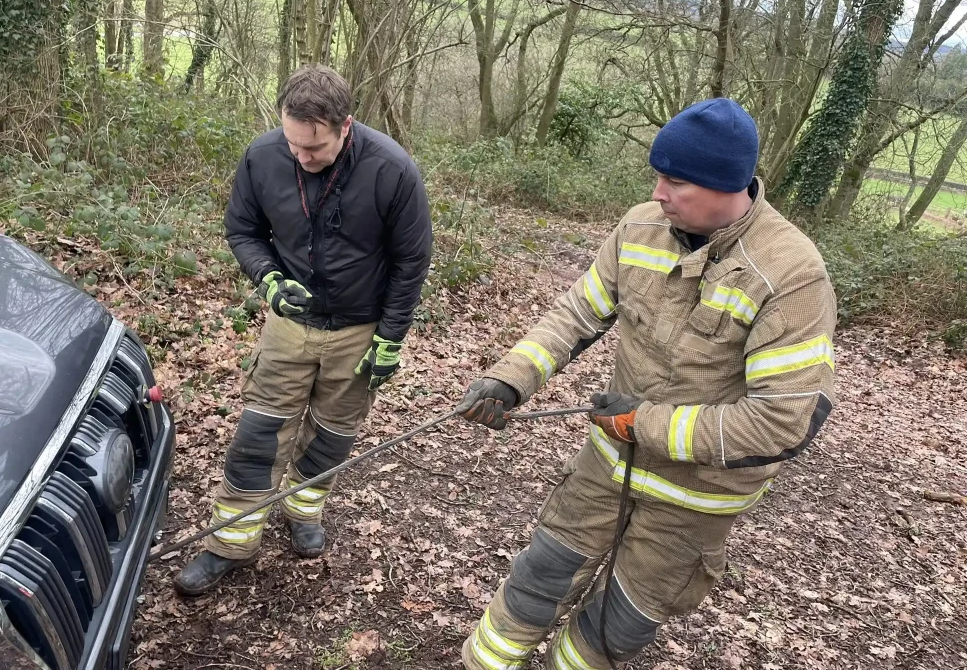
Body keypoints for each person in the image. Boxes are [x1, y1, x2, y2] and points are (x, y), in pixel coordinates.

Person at [456, 98, 837, 669]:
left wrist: (643, 423)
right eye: (657, 175)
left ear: (726, 186)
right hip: (607, 464)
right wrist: (511, 379)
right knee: (539, 579)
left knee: (617, 626)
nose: (658, 193)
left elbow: (783, 421)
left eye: (675, 182)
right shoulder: (641, 227)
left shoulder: (790, 274)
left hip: (697, 497)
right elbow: (576, 314)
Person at [174, 65, 432, 596]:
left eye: (314, 148)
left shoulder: (392, 170)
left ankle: (303, 507)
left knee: (334, 434)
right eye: (293, 144)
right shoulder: (264, 156)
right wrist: (268, 280)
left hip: (360, 329)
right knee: (260, 431)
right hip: (290, 323)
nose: (302, 157)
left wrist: (392, 336)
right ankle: (231, 541)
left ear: (346, 126)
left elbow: (412, 260)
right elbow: (242, 230)